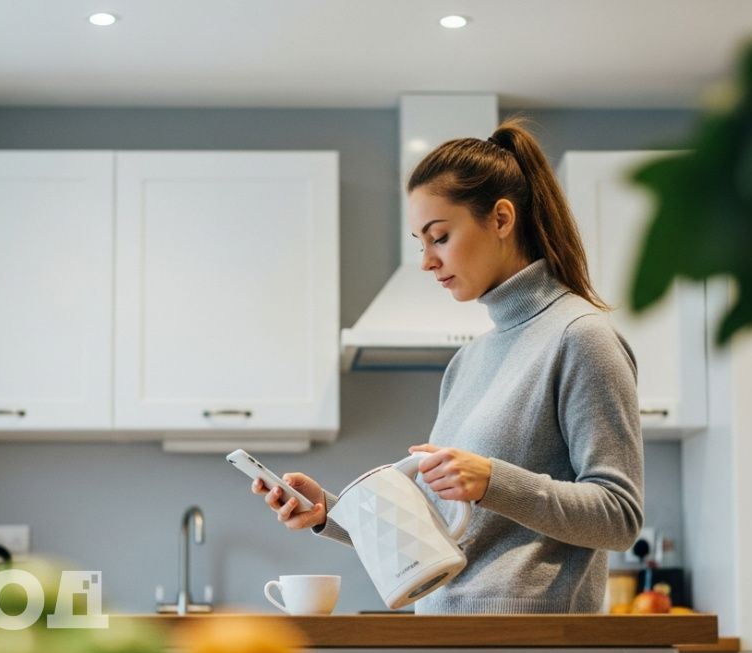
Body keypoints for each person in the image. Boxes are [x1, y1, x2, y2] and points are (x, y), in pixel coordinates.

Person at [251, 117, 645, 614]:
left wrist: (492, 482)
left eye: (438, 237)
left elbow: (619, 515)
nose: (427, 261)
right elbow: (438, 533)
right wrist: (328, 513)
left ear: (501, 219)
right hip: (442, 637)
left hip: (532, 650)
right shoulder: (469, 361)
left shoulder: (581, 337)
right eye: (420, 242)